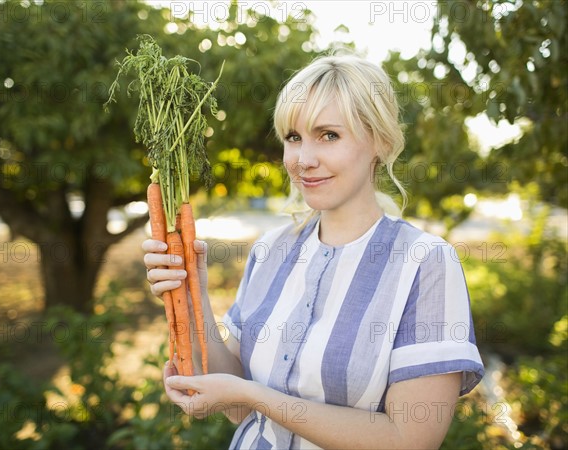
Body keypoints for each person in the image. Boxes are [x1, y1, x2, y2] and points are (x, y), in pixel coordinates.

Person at [142, 52, 485, 449]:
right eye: (293, 138)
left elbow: (408, 440)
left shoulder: (425, 263)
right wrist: (192, 293)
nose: (303, 160)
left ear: (380, 142)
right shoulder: (270, 250)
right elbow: (237, 409)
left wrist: (257, 397)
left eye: (329, 135)